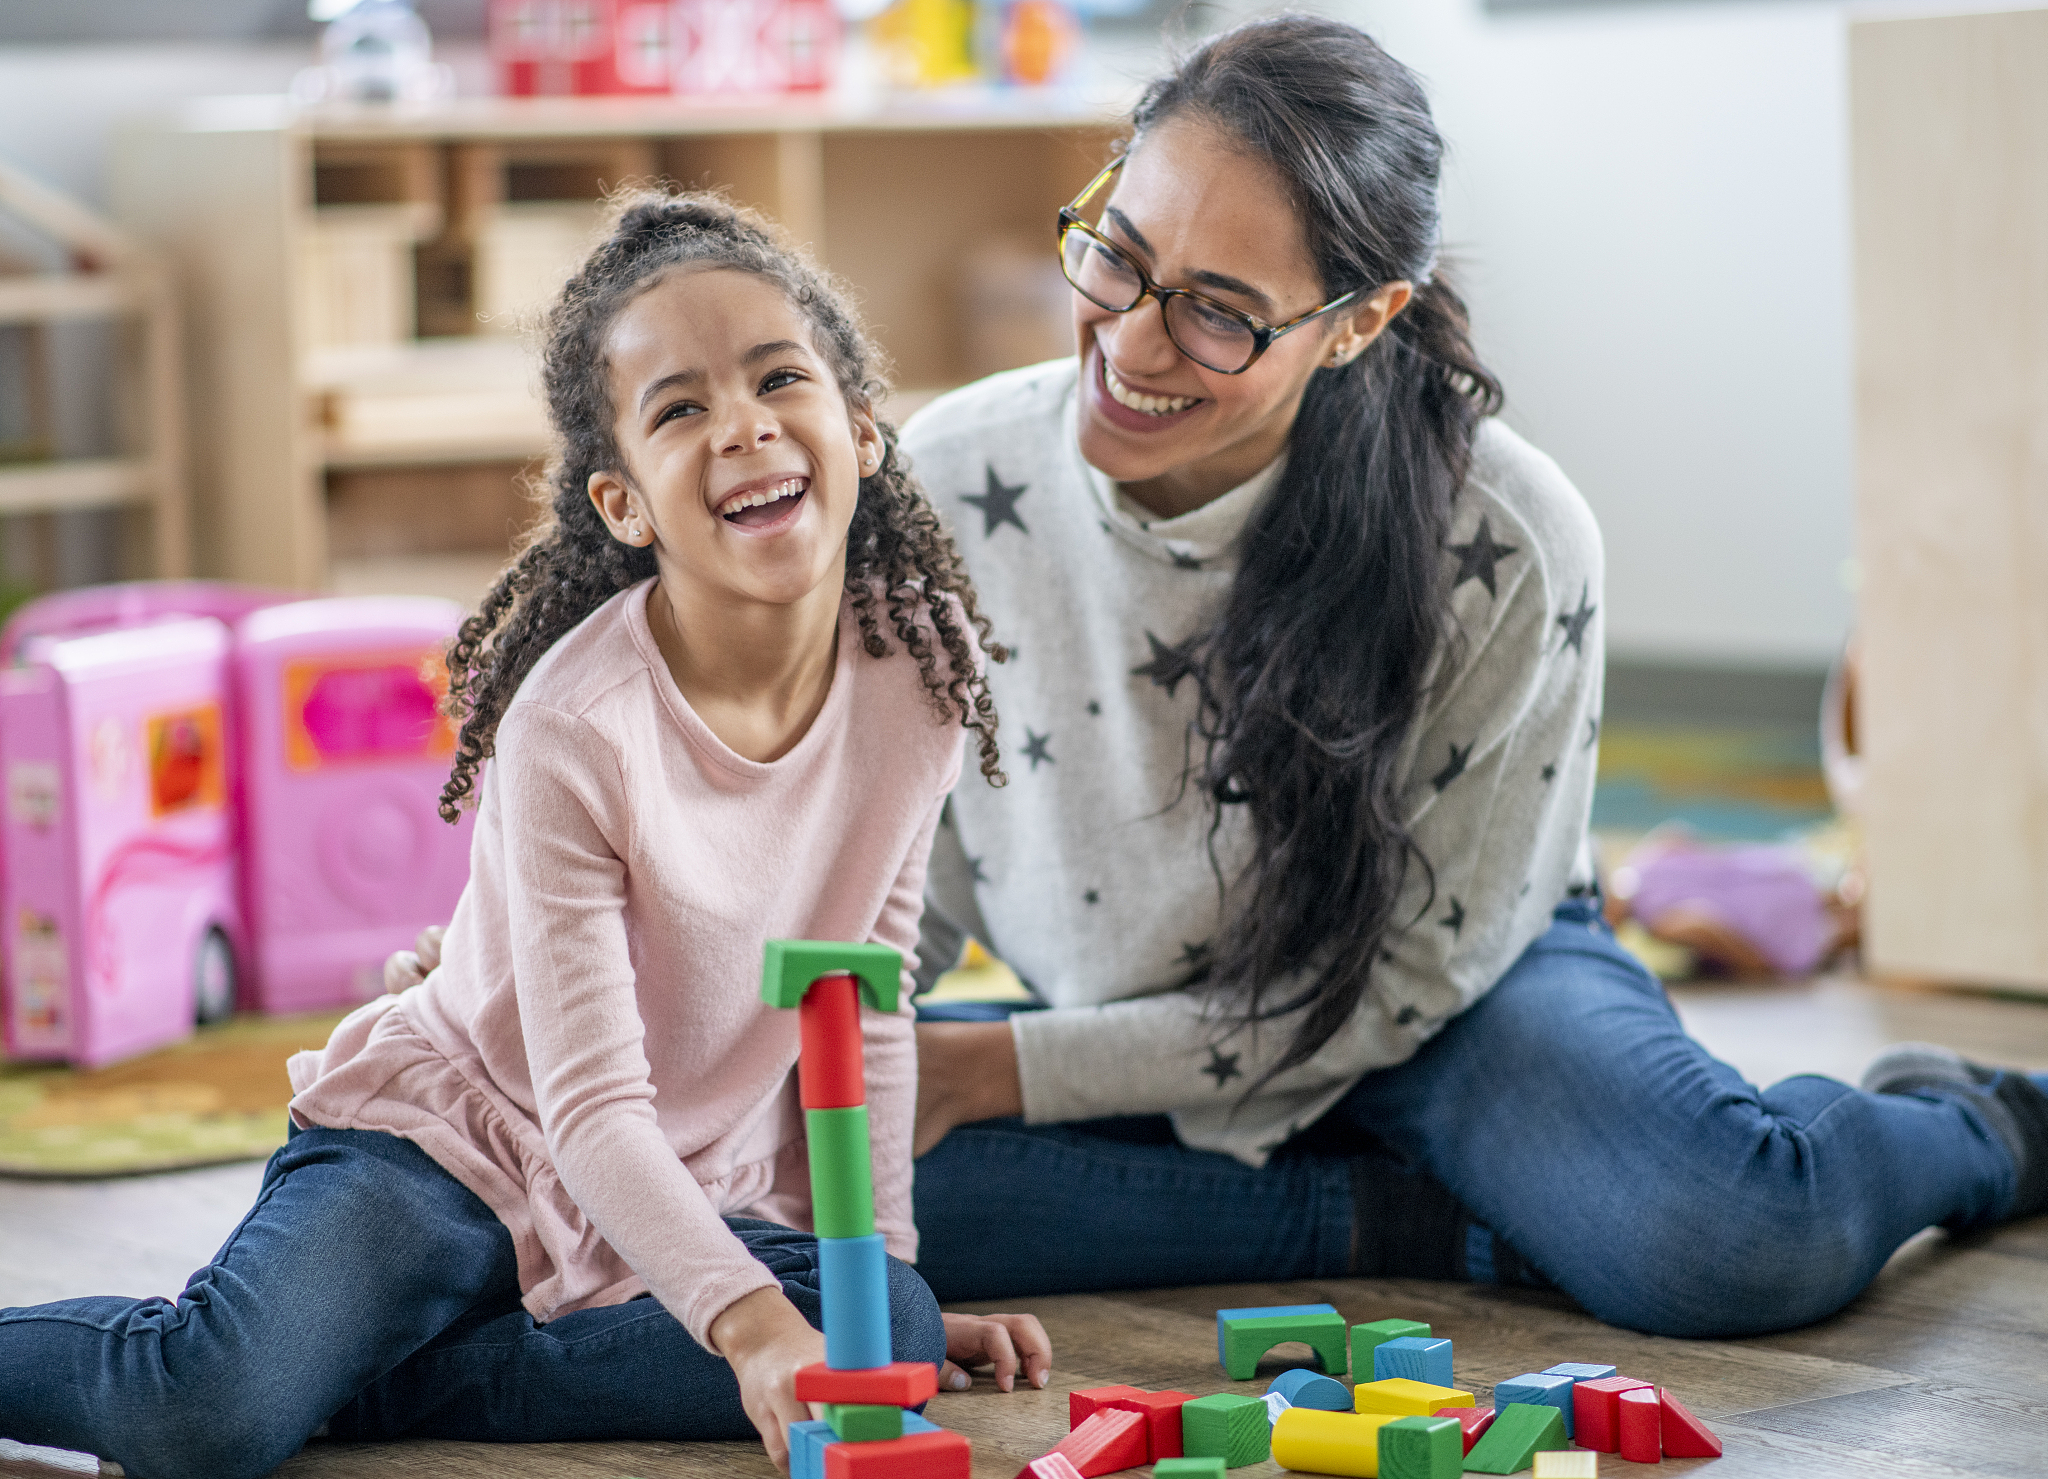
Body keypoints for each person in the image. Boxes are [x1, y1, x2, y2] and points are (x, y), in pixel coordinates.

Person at [895, 15, 2048, 1339]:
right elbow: (891, 872)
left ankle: (1982, 1122)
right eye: (1119, 253)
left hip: (1453, 993)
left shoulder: (1508, 535)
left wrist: (998, 1067)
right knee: (807, 1186)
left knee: (1741, 1237)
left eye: (1218, 311)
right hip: (1140, 1017)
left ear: (1357, 322)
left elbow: (1403, 982)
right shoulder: (951, 478)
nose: (1133, 341)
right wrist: (853, 1053)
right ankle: (1410, 1220)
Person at [0, 194, 1046, 1479]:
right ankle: (323, 1362)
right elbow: (592, 1111)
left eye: (781, 377)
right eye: (679, 410)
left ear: (863, 429)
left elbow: (864, 1013)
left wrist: (875, 1291)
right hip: (448, 1148)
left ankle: (379, 1381)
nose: (745, 424)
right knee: (201, 1412)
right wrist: (758, 1327)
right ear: (623, 505)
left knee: (886, 1320)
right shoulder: (576, 724)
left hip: (686, 1183)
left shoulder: (917, 674)